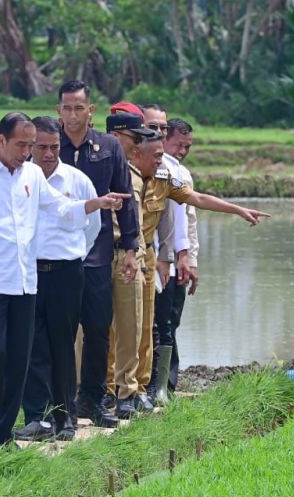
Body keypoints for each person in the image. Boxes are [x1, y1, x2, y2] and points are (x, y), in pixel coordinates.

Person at [0, 112, 129, 457]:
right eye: (22, 145)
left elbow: (60, 208)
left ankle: (4, 437)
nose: (27, 152)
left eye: (30, 145)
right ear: (1, 141)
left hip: (24, 283)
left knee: (20, 359)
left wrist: (97, 203)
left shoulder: (32, 174)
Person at [112, 133, 269, 416]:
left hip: (145, 254)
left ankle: (139, 391)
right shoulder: (121, 176)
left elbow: (195, 198)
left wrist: (237, 210)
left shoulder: (164, 178)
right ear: (137, 154)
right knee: (119, 328)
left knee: (145, 328)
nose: (163, 161)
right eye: (157, 156)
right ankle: (113, 391)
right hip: (122, 253)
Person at [57, 80, 140, 429]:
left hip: (98, 253)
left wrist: (132, 249)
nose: (73, 114)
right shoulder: (48, 147)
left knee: (97, 329)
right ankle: (59, 403)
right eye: (67, 107)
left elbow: (126, 200)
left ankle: (92, 398)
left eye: (79, 107)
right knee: (58, 331)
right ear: (59, 110)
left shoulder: (108, 148)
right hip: (57, 256)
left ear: (91, 111)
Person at [15, 116, 103, 442]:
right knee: (32, 346)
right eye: (42, 147)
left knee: (63, 346)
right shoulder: (21, 180)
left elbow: (92, 226)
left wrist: (75, 254)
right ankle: (36, 417)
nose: (49, 153)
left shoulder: (77, 180)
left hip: (66, 273)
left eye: (54, 147)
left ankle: (65, 418)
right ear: (30, 147)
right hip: (29, 273)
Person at [103, 112, 158, 419]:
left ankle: (128, 391)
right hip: (98, 253)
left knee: (131, 326)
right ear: (116, 136)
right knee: (94, 329)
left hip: (128, 254)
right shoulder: (96, 167)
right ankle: (99, 390)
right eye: (134, 138)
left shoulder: (134, 174)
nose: (138, 144)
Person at [150, 118, 201, 402]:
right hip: (163, 258)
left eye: (187, 146)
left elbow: (188, 224)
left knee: (170, 321)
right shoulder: (161, 169)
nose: (182, 150)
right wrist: (175, 257)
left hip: (176, 257)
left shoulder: (182, 172)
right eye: (178, 145)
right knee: (162, 323)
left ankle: (164, 385)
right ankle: (159, 386)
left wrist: (190, 260)